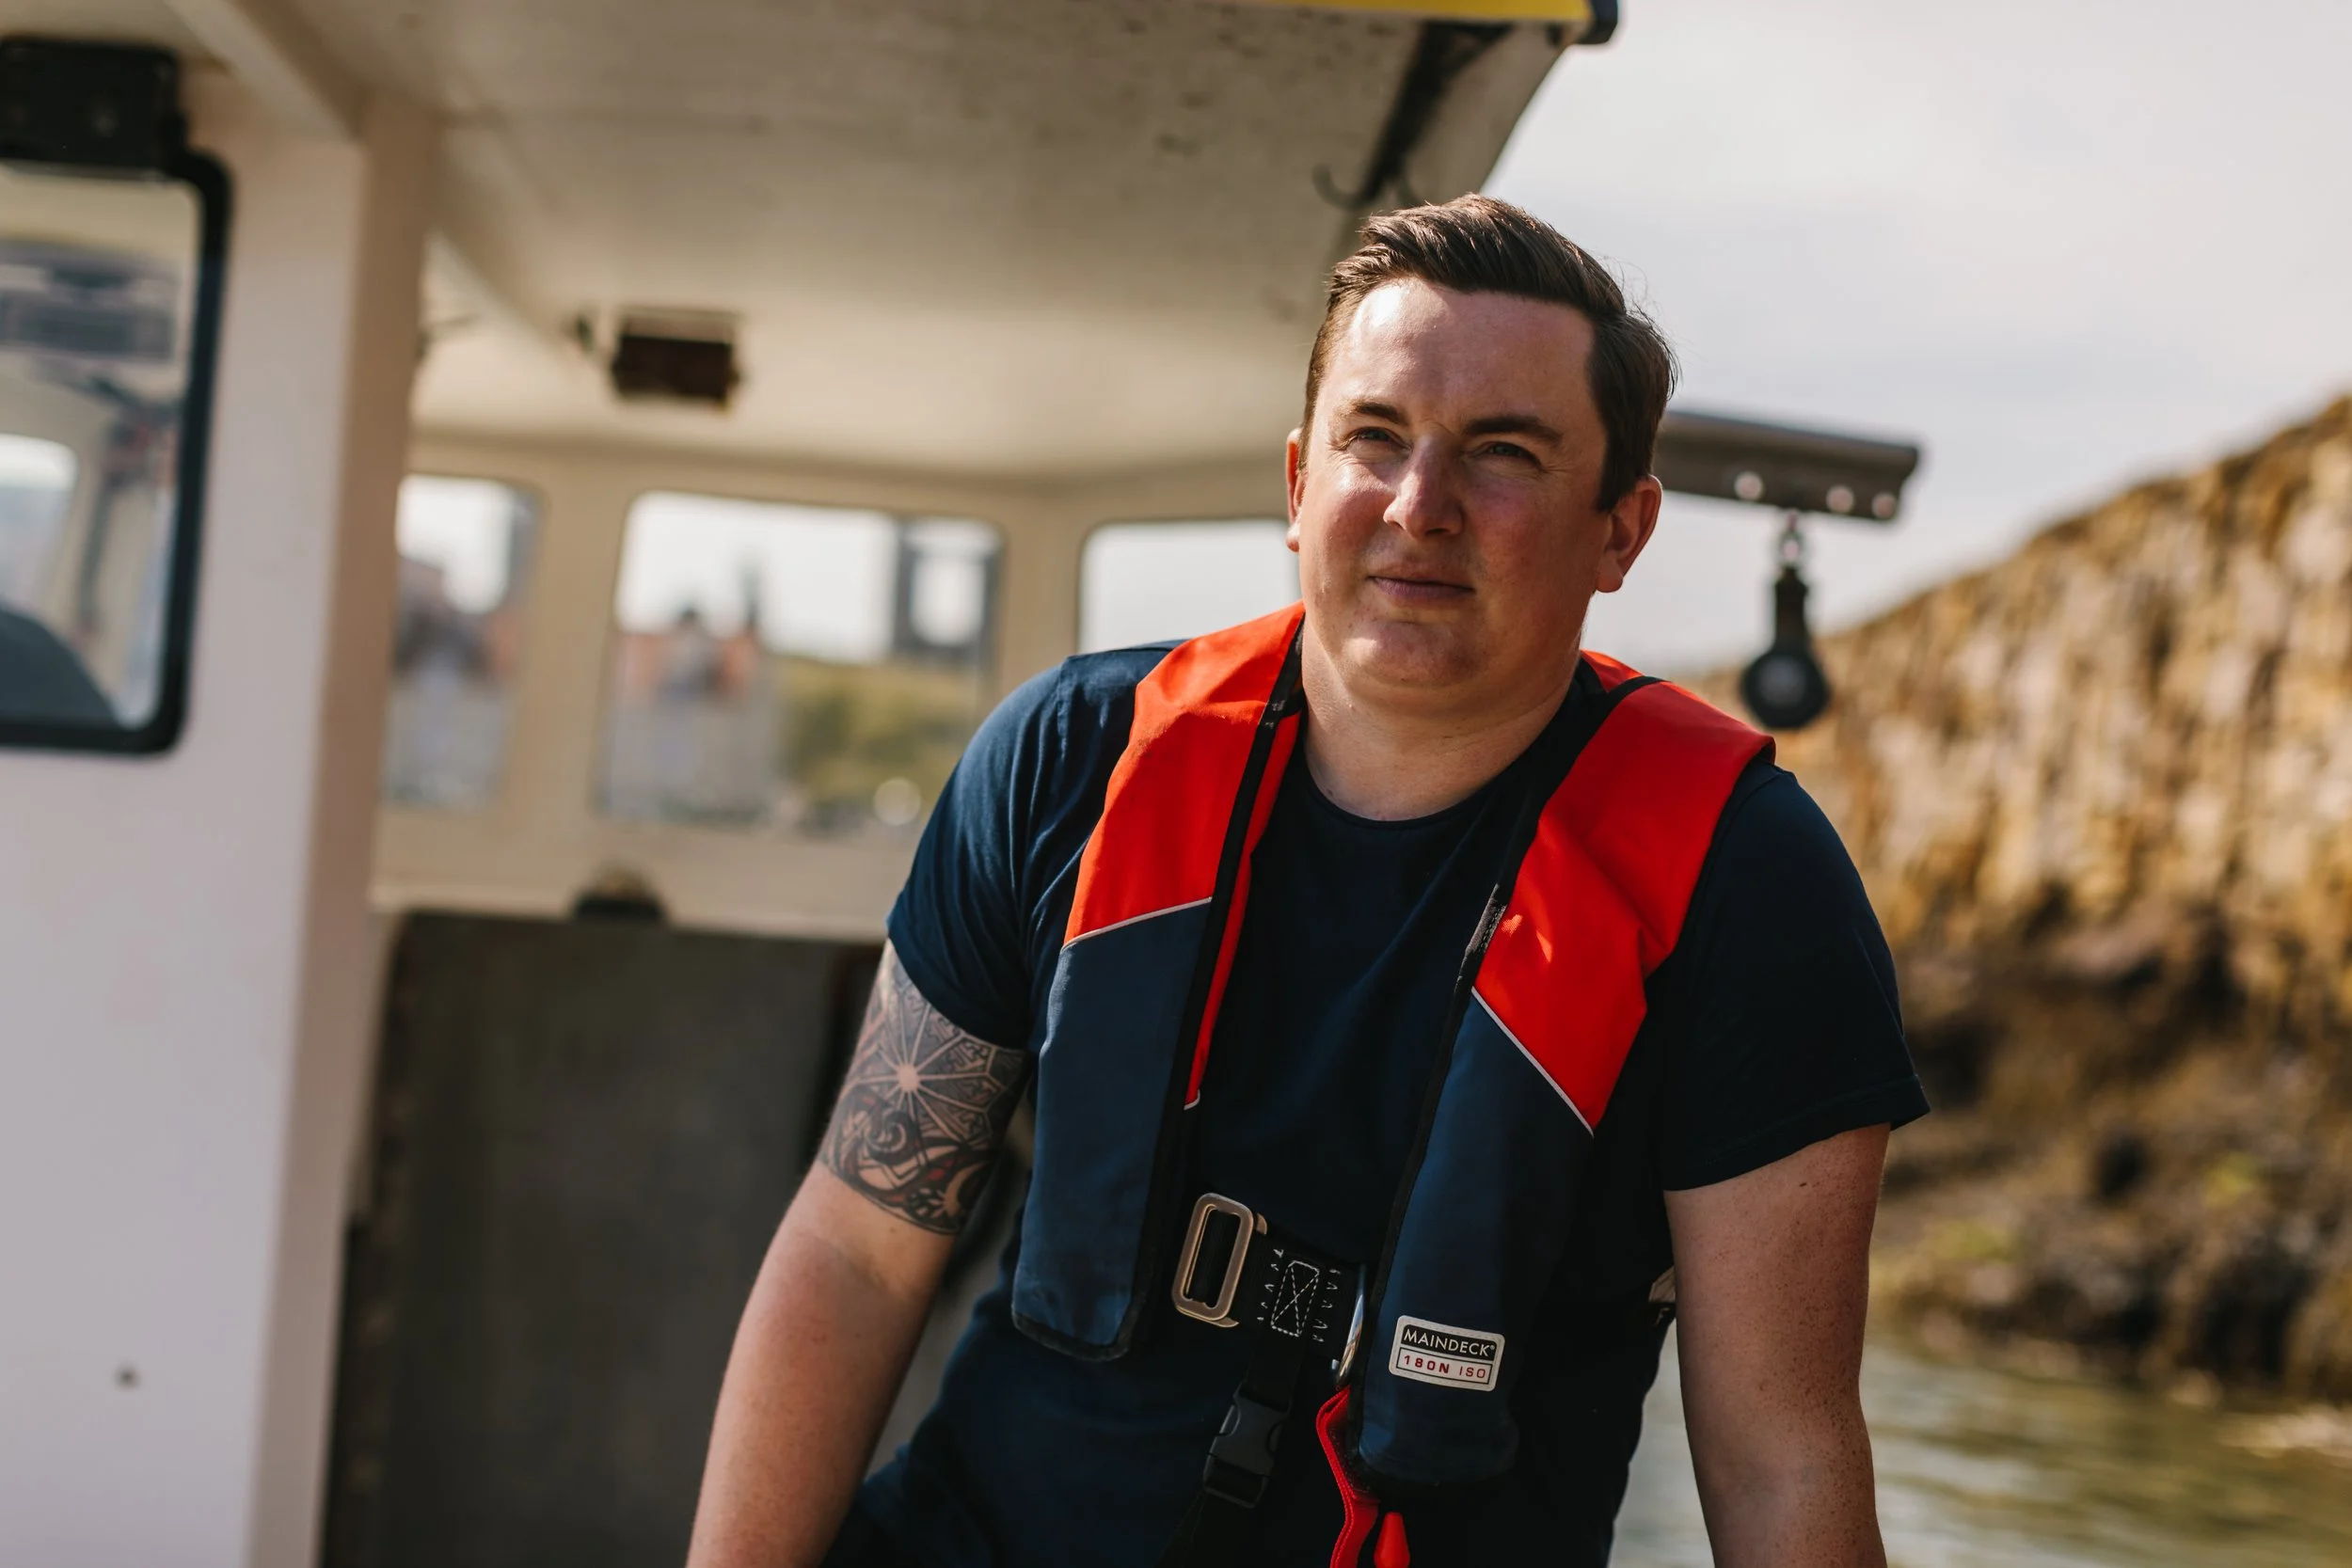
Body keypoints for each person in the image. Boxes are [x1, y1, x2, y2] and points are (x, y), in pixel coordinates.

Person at [686, 196, 1927, 1568]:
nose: (1420, 506)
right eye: (1374, 438)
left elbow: (1782, 1456)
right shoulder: (1069, 761)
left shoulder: (1747, 885)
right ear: (1296, 483)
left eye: (1502, 455)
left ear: (1619, 531)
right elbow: (858, 1251)